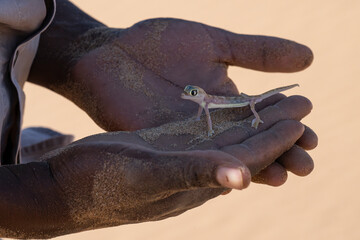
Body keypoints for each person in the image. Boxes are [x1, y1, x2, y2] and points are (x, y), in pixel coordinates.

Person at [0, 0, 318, 238]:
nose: (190, 97)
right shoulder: (202, 104)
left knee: (249, 106)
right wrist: (48, 196)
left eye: (192, 94)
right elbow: (205, 118)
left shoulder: (207, 104)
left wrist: (87, 44)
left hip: (237, 105)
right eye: (192, 94)